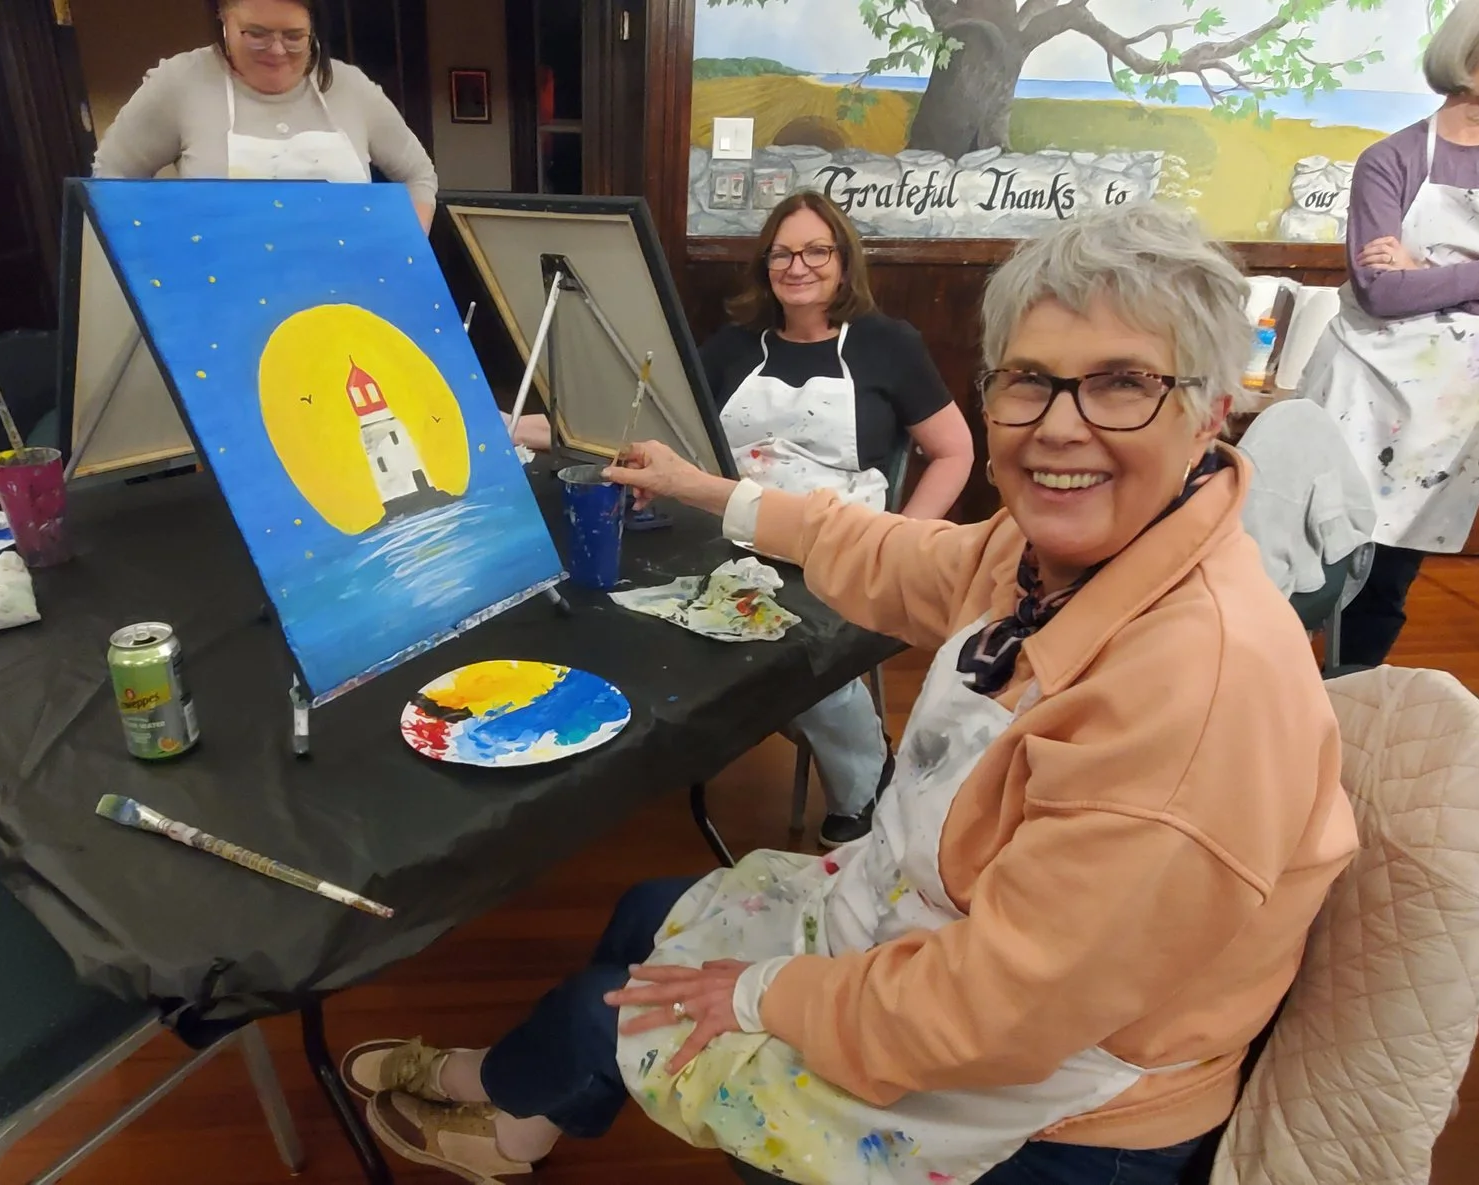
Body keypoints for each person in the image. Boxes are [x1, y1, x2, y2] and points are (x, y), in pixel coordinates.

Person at [349, 204, 1355, 1185]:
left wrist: (762, 995)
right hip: (940, 932)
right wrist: (709, 492)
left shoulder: (1195, 692)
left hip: (1055, 1103)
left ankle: (499, 1109)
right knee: (647, 909)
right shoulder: (1059, 552)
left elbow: (997, 1012)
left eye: (1122, 384)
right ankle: (518, 1117)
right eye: (1029, 381)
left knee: (608, 1012)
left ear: (1210, 412)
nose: (1060, 427)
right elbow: (902, 556)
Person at [517, 192, 975, 844]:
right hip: (729, 531)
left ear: (844, 261)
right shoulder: (734, 347)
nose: (797, 266)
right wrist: (514, 425)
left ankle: (867, 785)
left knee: (802, 651)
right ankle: (641, 767)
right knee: (623, 610)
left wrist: (900, 541)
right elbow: (637, 422)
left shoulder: (888, 345)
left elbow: (955, 451)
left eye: (815, 251)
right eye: (781, 254)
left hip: (839, 546)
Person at [1297, 0, 1479, 666]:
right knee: (1315, 549)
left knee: (1391, 573)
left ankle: (1351, 696)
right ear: (1463, 46)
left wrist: (1427, 274)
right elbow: (1381, 292)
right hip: (1364, 381)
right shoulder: (1391, 158)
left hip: (1458, 395)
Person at [90, 0, 440, 229]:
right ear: (223, 16)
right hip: (223, 297)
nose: (276, 50)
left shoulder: (351, 87)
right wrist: (162, 257)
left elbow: (418, 175)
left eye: (294, 37)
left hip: (350, 297)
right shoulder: (181, 83)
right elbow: (111, 178)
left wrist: (402, 253)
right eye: (256, 34)